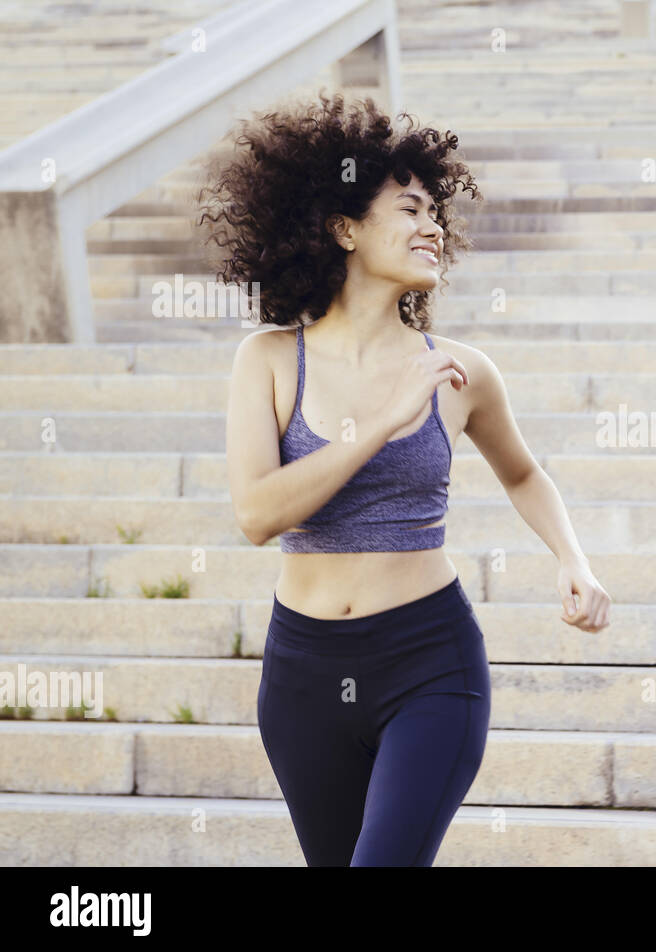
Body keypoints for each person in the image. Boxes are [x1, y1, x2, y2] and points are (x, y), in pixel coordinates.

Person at [206, 93, 612, 866]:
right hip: (303, 677)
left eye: (437, 212)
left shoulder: (460, 373)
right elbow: (257, 514)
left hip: (428, 661)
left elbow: (524, 474)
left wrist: (573, 560)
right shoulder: (266, 360)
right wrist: (379, 424)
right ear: (343, 227)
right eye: (410, 209)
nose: (434, 227)